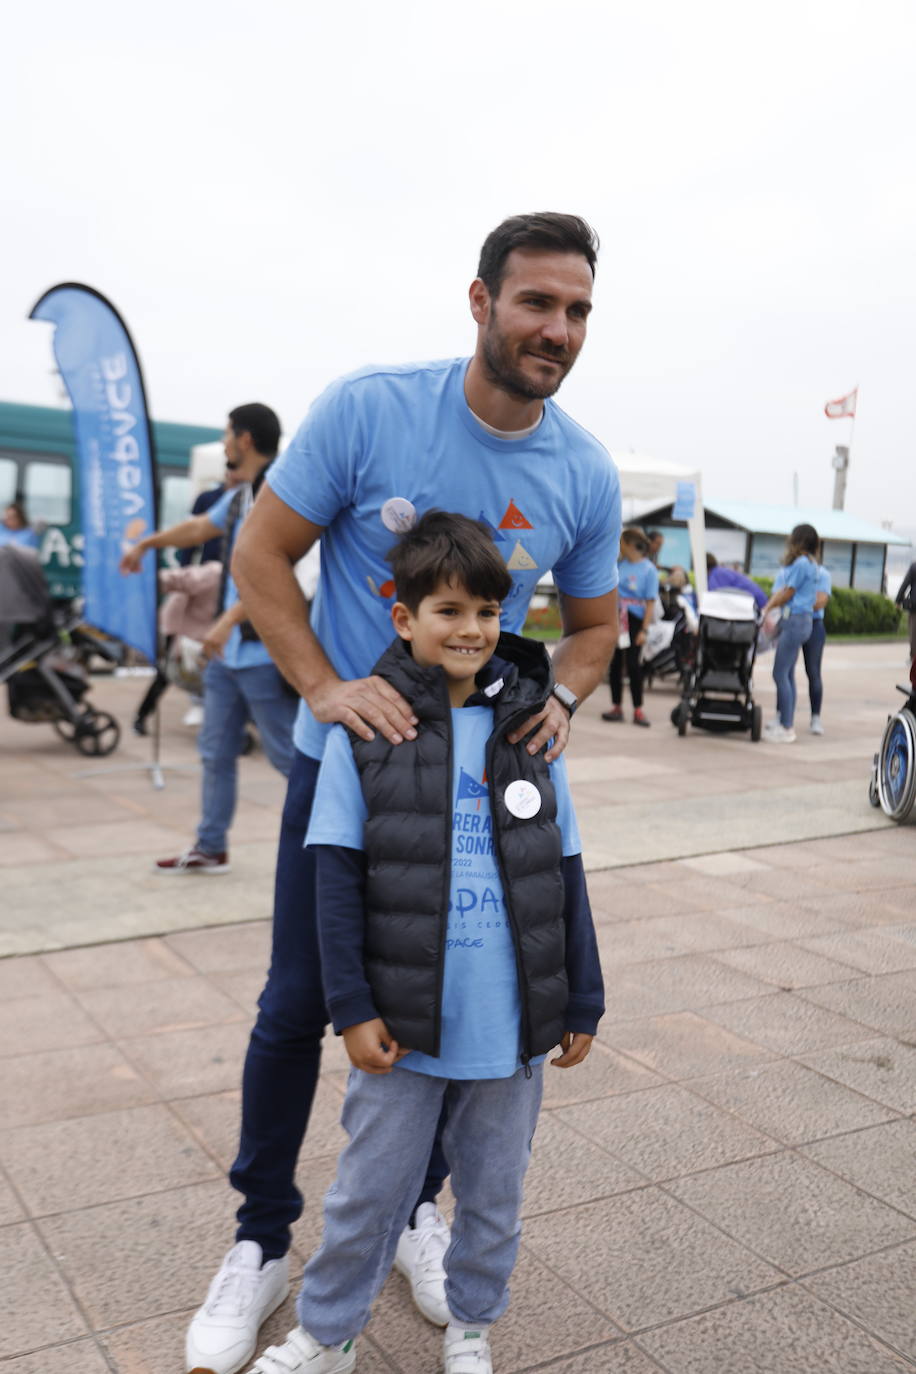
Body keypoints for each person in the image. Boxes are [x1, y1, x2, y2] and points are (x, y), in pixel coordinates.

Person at [184, 212, 620, 1374]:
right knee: (298, 1003)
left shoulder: (580, 467)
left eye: (576, 309)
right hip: (354, 780)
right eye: (536, 302)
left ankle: (421, 1216)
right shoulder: (370, 408)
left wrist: (565, 704)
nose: (556, 329)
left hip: (477, 790)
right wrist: (322, 687)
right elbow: (260, 557)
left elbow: (591, 631)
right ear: (479, 303)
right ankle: (259, 1239)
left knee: (448, 1005)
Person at [246, 511, 604, 1374]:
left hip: (511, 1028)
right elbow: (334, 881)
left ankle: (473, 1323)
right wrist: (353, 1008)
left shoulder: (532, 733)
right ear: (403, 617)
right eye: (448, 610)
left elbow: (567, 871)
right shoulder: (366, 735)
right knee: (368, 1195)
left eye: (487, 611)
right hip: (404, 1028)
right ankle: (327, 1335)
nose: (472, 629)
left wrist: (583, 997)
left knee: (493, 1198)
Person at [120, 403, 297, 872]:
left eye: (226, 434)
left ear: (243, 439)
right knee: (215, 751)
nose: (223, 444)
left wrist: (228, 620)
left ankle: (336, 846)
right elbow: (200, 527)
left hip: (262, 649)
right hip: (227, 655)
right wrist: (146, 544)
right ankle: (210, 845)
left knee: (287, 756)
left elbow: (282, 569)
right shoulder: (240, 497)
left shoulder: (285, 491)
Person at [132, 467, 244, 736]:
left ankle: (222, 722)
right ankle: (143, 714)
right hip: (207, 579)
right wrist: (184, 575)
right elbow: (193, 534)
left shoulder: (247, 498)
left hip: (228, 582)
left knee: (214, 661)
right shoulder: (212, 499)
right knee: (173, 664)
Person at [759, 523, 819, 744]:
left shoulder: (801, 564)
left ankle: (786, 727)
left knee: (779, 673)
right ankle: (785, 720)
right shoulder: (811, 563)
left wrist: (767, 608)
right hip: (802, 622)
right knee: (788, 674)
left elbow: (786, 593)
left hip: (794, 621)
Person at [602, 526, 658, 727]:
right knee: (615, 663)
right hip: (617, 618)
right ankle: (616, 706)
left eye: (621, 543)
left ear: (628, 544)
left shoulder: (648, 569)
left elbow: (650, 601)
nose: (619, 547)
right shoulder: (619, 566)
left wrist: (644, 630)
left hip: (635, 621)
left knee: (634, 665)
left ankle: (638, 709)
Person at [802, 561, 832, 734]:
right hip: (795, 622)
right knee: (784, 671)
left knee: (813, 672)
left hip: (814, 624)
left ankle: (815, 718)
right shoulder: (792, 570)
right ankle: (781, 714)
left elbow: (821, 601)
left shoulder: (823, 574)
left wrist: (797, 603)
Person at [895, 559, 916, 662]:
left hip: (915, 606)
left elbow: (905, 584)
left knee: (914, 631)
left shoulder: (914, 566)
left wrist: (898, 600)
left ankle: (913, 657)